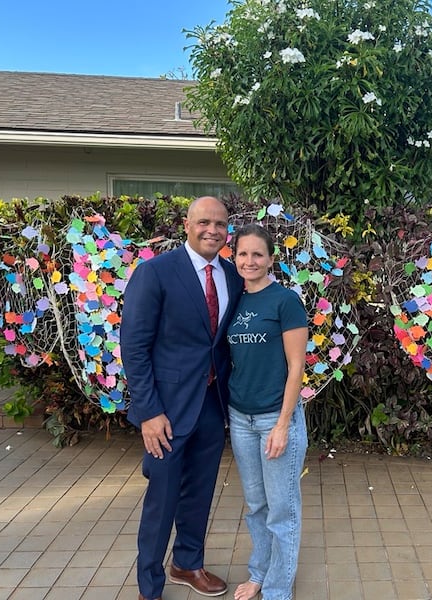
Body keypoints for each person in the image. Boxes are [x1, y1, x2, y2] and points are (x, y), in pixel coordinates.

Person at [120, 196, 244, 600]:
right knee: (162, 497)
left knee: (200, 492)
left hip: (211, 403)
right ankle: (148, 587)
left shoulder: (232, 274)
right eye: (204, 222)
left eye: (221, 224)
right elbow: (134, 347)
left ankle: (187, 564)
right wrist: (149, 412)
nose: (213, 230)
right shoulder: (155, 273)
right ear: (187, 225)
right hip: (167, 411)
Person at [226, 223, 309, 600]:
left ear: (271, 259)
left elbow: (296, 367)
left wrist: (282, 425)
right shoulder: (233, 300)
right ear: (234, 257)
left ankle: (277, 591)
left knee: (282, 510)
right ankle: (259, 572)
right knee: (256, 505)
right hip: (240, 418)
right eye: (243, 253)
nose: (250, 260)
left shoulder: (285, 301)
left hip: (276, 419)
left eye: (258, 254)